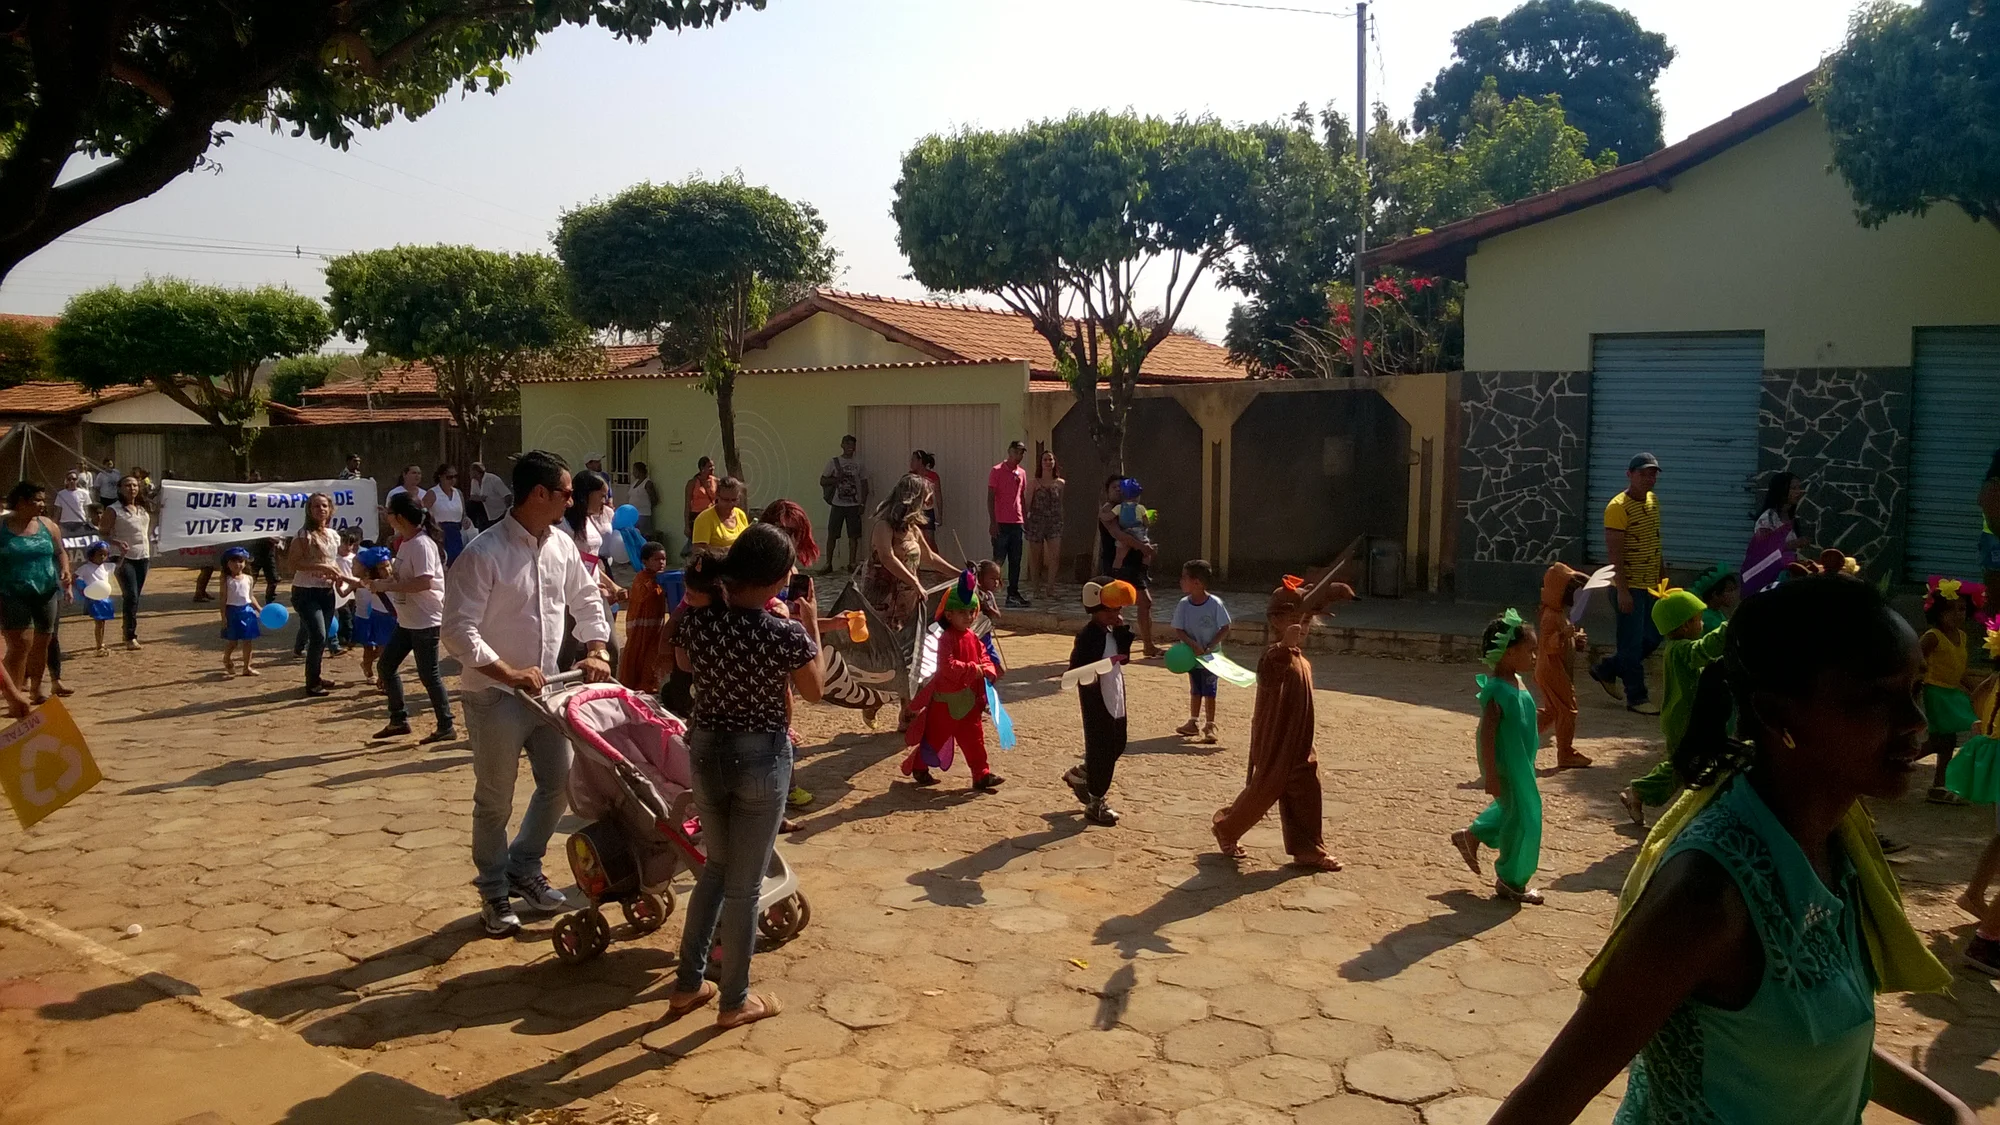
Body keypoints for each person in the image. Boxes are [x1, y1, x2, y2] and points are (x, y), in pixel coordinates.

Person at [1486, 573, 1972, 1125]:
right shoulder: (1708, 898)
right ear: (1776, 714)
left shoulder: (1836, 850)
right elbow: (1543, 1102)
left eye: (1915, 691)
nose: (1916, 722)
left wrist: (1949, 1110)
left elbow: (1801, 1040)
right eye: (1874, 699)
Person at [442, 449, 614, 937]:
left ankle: (524, 866)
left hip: (547, 693)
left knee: (560, 783)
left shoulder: (560, 545)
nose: (572, 500)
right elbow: (457, 631)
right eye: (566, 492)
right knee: (495, 799)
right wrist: (509, 673)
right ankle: (494, 889)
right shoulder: (483, 554)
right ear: (539, 494)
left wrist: (596, 646)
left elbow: (586, 597)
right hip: (494, 697)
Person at [664, 522, 821, 1029]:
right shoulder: (783, 633)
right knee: (745, 887)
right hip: (760, 758)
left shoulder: (699, 620)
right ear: (775, 579)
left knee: (716, 868)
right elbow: (815, 690)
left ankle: (688, 985)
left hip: (707, 749)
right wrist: (811, 626)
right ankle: (734, 1001)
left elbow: (684, 663)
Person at [1211, 569, 1356, 871]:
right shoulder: (1274, 655)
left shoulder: (1301, 659)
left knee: (1307, 790)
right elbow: (1268, 676)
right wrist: (1282, 646)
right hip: (1276, 739)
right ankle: (1227, 827)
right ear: (1276, 621)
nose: (1301, 627)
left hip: (1299, 739)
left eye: (1306, 622)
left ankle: (1308, 849)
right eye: (1294, 620)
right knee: (1263, 790)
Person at [757, 499, 895, 723]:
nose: (786, 536)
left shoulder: (792, 573)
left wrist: (834, 623)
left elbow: (798, 621)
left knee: (785, 692)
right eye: (779, 528)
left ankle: (784, 731)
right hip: (760, 646)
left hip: (784, 648)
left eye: (792, 531)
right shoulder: (758, 572)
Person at [1452, 610, 1547, 904]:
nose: (1534, 657)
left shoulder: (1516, 681)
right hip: (1507, 765)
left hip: (1522, 762)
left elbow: (1522, 718)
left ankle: (1471, 835)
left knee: (1514, 809)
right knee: (1526, 818)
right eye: (1530, 650)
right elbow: (1487, 734)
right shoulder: (1496, 690)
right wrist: (1491, 775)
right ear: (1508, 652)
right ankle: (1511, 880)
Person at [1618, 587, 1726, 827]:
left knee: (1683, 765)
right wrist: (1727, 630)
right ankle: (1640, 792)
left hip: (1685, 719)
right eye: (1698, 620)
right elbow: (1703, 650)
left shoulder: (1677, 649)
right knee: (1684, 765)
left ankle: (1641, 793)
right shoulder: (1681, 650)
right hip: (1683, 720)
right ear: (1686, 626)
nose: (1702, 624)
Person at [898, 569, 1004, 791]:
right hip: (945, 705)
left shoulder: (973, 637)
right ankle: (918, 766)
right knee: (935, 740)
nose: (969, 616)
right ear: (949, 614)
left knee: (975, 741)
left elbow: (984, 656)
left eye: (972, 612)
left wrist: (987, 668)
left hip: (970, 702)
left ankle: (981, 775)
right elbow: (947, 667)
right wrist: (973, 669)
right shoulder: (946, 639)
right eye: (962, 612)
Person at [369, 493, 453, 743]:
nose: (386, 516)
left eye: (389, 513)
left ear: (400, 518)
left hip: (425, 621)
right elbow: (404, 578)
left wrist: (387, 587)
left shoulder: (421, 545)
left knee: (429, 674)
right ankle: (398, 719)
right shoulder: (406, 543)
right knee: (386, 666)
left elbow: (423, 582)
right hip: (408, 620)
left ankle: (446, 725)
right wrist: (383, 582)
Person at [1590, 452, 1665, 715]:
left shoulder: (1653, 501)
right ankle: (1637, 697)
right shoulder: (1617, 507)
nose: (1649, 479)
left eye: (1653, 474)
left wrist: (1662, 575)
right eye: (1643, 473)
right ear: (1629, 475)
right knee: (1631, 643)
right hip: (1628, 586)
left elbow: (1655, 540)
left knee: (1654, 636)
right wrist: (1622, 590)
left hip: (1650, 584)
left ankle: (1607, 668)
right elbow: (1615, 554)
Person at [1066, 577, 1136, 826]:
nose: (1114, 615)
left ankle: (1083, 773)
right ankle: (1096, 801)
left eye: (1118, 610)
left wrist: (1121, 630)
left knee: (1118, 743)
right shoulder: (1088, 635)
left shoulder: (1111, 632)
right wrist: (1090, 678)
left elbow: (1124, 657)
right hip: (1097, 699)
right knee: (1101, 748)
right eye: (1109, 611)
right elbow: (1076, 668)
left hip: (1115, 693)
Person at [1946, 667, 2000, 975]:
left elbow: (1980, 694)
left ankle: (1974, 895)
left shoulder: (1996, 676)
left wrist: (1989, 725)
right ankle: (1987, 940)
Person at [0, 481, 71, 702]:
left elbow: (60, 552)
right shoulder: (2, 527)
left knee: (42, 643)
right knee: (20, 644)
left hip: (46, 591)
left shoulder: (48, 525)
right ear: (21, 502)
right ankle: (13, 694)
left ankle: (36, 689)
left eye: (43, 500)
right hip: (12, 593)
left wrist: (65, 570)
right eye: (36, 500)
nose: (42, 504)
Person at [862, 473, 958, 630]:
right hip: (882, 598)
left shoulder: (913, 529)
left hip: (905, 599)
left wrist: (960, 574)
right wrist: (915, 582)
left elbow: (930, 558)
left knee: (904, 635)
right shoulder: (883, 526)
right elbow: (887, 558)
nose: (927, 504)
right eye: (925, 500)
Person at [1918, 578, 1980, 806]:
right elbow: (1915, 661)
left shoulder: (1962, 637)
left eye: (1961, 609)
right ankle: (1896, 762)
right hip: (1936, 693)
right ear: (1938, 612)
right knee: (1941, 741)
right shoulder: (1932, 636)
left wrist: (1975, 689)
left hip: (1952, 694)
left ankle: (1938, 786)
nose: (1956, 615)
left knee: (1945, 741)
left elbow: (1958, 669)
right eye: (1949, 610)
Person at [285, 493, 345, 698]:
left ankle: (316, 676)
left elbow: (333, 560)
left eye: (324, 506)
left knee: (323, 636)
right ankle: (311, 683)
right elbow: (293, 564)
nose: (321, 510)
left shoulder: (333, 535)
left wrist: (338, 575)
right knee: (317, 634)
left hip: (326, 591)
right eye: (316, 506)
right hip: (305, 591)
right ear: (309, 510)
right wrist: (321, 566)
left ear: (330, 509)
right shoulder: (303, 536)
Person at [1534, 563, 1593, 769]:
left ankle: (1521, 733)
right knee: (1568, 710)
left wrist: (1575, 640)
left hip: (1551, 668)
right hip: (1551, 669)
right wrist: (1562, 635)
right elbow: (1549, 645)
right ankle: (1565, 752)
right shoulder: (1550, 616)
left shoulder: (1557, 614)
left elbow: (1561, 644)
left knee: (1552, 711)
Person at [1099, 478, 1161, 657]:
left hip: (1133, 561)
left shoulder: (1130, 509)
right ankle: (1143, 646)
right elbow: (1119, 535)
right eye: (1114, 487)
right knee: (1136, 603)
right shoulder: (1108, 510)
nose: (1118, 490)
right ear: (1107, 491)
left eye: (1120, 487)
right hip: (1119, 564)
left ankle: (1141, 645)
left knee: (1124, 605)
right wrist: (1143, 548)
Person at [1172, 559, 1230, 745]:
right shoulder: (1183, 604)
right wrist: (1192, 645)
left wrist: (1211, 645)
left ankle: (1210, 725)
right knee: (1196, 688)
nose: (1181, 581)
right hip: (1192, 656)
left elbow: (1225, 627)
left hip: (1211, 657)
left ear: (1196, 582)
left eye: (1184, 577)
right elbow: (1179, 629)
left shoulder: (1215, 604)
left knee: (1210, 690)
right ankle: (1193, 721)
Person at [97, 475, 150, 651]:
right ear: (120, 488)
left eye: (135, 485)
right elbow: (102, 533)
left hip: (143, 556)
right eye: (127, 485)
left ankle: (127, 628)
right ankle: (130, 635)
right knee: (131, 595)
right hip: (122, 557)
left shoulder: (142, 509)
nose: (132, 488)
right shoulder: (114, 510)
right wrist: (117, 543)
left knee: (135, 597)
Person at [1742, 471, 1808, 595]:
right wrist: (1791, 545)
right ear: (1781, 491)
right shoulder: (1767, 520)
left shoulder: (1791, 519)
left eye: (1798, 488)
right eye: (1793, 488)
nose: (1798, 492)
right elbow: (1763, 552)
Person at [619, 540, 671, 693]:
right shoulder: (641, 579)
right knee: (636, 655)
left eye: (663, 559)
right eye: (656, 559)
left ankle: (648, 685)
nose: (661, 563)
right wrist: (654, 583)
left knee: (652, 656)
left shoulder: (662, 579)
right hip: (639, 628)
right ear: (645, 561)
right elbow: (642, 596)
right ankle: (630, 685)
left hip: (655, 627)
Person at [987, 440, 1030, 607]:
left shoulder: (1022, 473)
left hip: (1016, 522)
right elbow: (991, 497)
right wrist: (993, 521)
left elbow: (1022, 497)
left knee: (1015, 560)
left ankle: (1013, 593)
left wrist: (1025, 518)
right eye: (1016, 452)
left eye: (1021, 453)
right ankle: (987, 592)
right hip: (1001, 522)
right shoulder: (997, 471)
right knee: (998, 560)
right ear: (1009, 451)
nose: (1018, 456)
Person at [818, 436, 868, 575]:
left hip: (854, 504)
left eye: (852, 444)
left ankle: (852, 563)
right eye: (847, 444)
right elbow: (823, 480)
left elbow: (864, 484)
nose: (850, 447)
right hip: (837, 504)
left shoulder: (859, 463)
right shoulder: (834, 462)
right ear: (842, 445)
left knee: (854, 535)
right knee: (832, 534)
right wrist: (836, 479)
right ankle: (828, 563)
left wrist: (862, 502)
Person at [347, 546, 396, 685]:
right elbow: (356, 582)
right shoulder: (370, 582)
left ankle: (374, 670)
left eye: (387, 566)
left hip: (394, 618)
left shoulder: (396, 576)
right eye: (381, 568)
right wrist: (340, 577)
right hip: (376, 618)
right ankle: (378, 676)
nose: (387, 570)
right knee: (377, 650)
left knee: (387, 651)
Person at [1025, 450, 1065, 603]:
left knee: (1055, 556)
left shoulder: (1060, 483)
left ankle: (1050, 588)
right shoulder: (1034, 483)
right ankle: (1036, 588)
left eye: (1050, 460)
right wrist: (1026, 521)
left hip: (1054, 522)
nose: (1048, 462)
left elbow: (1060, 503)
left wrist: (1061, 519)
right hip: (1037, 521)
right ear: (1040, 463)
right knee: (1036, 557)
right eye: (1045, 460)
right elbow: (1027, 504)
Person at [217, 546, 263, 677]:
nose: (237, 564)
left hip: (247, 612)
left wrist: (259, 609)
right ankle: (227, 658)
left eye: (240, 561)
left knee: (248, 640)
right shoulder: (226, 580)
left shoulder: (248, 578)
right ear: (227, 564)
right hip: (232, 612)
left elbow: (250, 596)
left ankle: (247, 667)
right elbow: (223, 599)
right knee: (233, 642)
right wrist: (224, 617)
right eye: (234, 561)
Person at [423, 464, 471, 564]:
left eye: (455, 477)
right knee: (442, 561)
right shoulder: (432, 493)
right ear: (440, 477)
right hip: (439, 533)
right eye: (449, 477)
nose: (452, 480)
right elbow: (422, 513)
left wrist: (465, 520)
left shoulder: (458, 493)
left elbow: (463, 514)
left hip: (456, 533)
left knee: (457, 562)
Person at [73, 542, 114, 655]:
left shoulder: (106, 567)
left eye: (105, 555)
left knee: (102, 622)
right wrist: (81, 590)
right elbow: (74, 577)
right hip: (94, 599)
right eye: (100, 554)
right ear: (92, 554)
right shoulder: (86, 568)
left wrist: (124, 554)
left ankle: (100, 643)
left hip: (105, 598)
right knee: (99, 622)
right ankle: (99, 646)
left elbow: (119, 565)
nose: (102, 557)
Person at [691, 476, 750, 555]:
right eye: (726, 500)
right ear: (717, 496)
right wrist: (729, 550)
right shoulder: (704, 518)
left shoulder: (741, 515)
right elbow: (698, 550)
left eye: (734, 500)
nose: (730, 504)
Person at [684, 456, 717, 545]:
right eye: (709, 466)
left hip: (711, 515)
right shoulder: (693, 483)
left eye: (713, 466)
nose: (712, 468)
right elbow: (687, 505)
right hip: (697, 516)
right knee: (697, 541)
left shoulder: (716, 481)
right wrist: (687, 525)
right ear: (702, 468)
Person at [469, 462, 510, 532]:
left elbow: (507, 495)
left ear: (476, 471)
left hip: (498, 513)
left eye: (471, 471)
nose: (469, 473)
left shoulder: (493, 479)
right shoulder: (474, 481)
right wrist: (481, 498)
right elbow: (472, 496)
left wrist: (507, 510)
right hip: (484, 512)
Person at [54, 471, 92, 546]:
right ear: (66, 481)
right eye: (69, 479)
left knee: (80, 545)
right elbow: (58, 511)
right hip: (65, 524)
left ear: (77, 480)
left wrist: (89, 523)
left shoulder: (84, 493)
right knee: (66, 545)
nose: (71, 481)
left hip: (80, 523)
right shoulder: (61, 494)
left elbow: (87, 510)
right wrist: (55, 524)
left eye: (74, 479)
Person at [914, 450, 941, 549]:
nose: (911, 463)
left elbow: (938, 495)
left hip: (928, 510)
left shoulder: (933, 476)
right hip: (915, 511)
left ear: (920, 461)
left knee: (930, 539)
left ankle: (935, 557)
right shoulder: (911, 476)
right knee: (916, 539)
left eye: (913, 460)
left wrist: (940, 514)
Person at [629, 460, 660, 539]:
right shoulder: (635, 483)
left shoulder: (647, 483)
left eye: (634, 470)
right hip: (633, 514)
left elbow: (654, 499)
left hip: (643, 514)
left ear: (640, 471)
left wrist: (645, 505)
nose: (633, 473)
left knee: (642, 536)